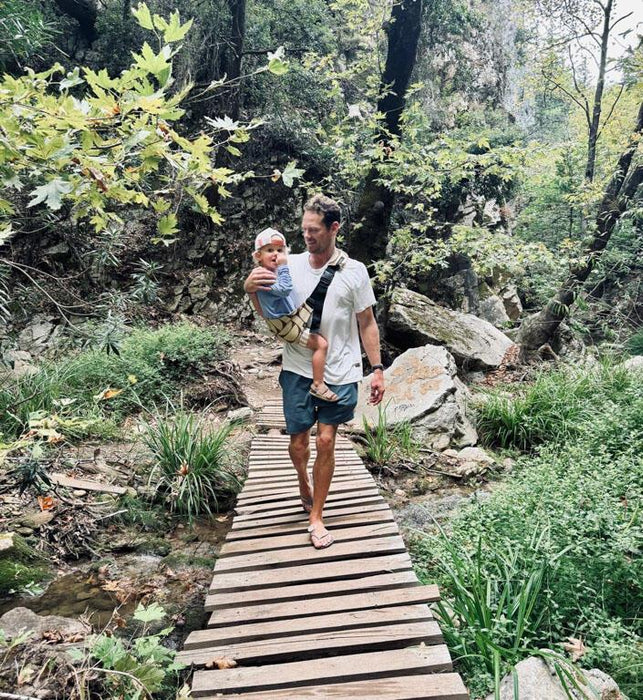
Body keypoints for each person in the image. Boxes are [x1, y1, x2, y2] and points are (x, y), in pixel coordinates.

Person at [244, 194, 385, 549]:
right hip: (297, 367)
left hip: (341, 369)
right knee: (298, 443)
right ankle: (301, 480)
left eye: (314, 230)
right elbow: (269, 313)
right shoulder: (285, 263)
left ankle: (317, 516)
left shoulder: (354, 271)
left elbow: (367, 322)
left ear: (334, 228)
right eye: (303, 229)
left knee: (326, 440)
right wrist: (249, 290)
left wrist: (378, 369)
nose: (306, 236)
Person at [250, 227, 339, 403]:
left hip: (288, 320)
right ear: (258, 256)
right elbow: (284, 289)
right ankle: (318, 384)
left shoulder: (270, 272)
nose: (276, 254)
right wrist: (284, 266)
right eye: (270, 250)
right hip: (286, 325)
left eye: (280, 250)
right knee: (321, 344)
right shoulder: (263, 275)